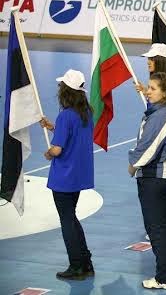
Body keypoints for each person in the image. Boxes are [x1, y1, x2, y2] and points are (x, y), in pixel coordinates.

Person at [128, 72, 166, 290]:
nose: (147, 91)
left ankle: (165, 277)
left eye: (152, 88)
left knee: (157, 228)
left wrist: (132, 165)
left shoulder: (160, 117)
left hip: (157, 179)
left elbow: (148, 149)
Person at [41, 70, 95, 281]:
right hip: (79, 176)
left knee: (67, 221)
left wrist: (47, 153)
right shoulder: (86, 112)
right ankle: (86, 261)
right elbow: (73, 134)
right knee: (71, 218)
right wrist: (53, 127)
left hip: (64, 176)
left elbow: (57, 149)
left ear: (66, 91)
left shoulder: (65, 115)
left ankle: (76, 266)